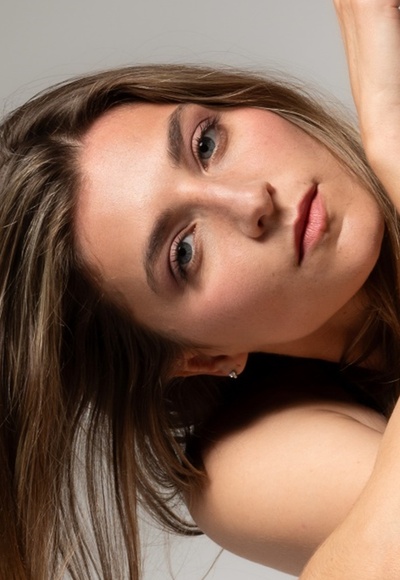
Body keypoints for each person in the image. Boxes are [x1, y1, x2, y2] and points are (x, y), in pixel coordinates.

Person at [0, 0, 399, 577]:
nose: (250, 201)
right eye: (182, 253)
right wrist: (387, 127)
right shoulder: (250, 466)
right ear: (199, 358)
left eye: (205, 145)